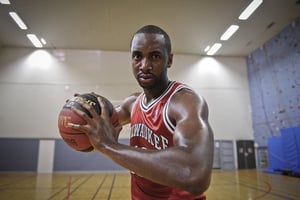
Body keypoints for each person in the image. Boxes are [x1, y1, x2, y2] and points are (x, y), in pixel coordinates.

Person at [69, 25, 214, 200]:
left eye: (155, 56)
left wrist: (110, 146)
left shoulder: (184, 102)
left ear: (169, 60)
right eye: (137, 56)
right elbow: (102, 123)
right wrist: (81, 114)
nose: (145, 66)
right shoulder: (132, 104)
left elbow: (195, 174)